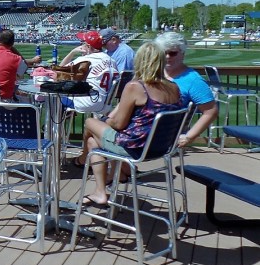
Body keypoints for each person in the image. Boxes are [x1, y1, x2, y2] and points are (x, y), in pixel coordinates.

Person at [73, 42, 182, 207]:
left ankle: (86, 166)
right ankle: (108, 184)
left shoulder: (136, 87)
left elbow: (118, 124)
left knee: (89, 122)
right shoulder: (174, 87)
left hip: (134, 147)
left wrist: (106, 122)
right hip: (162, 148)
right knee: (93, 142)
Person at [155, 31, 218, 148]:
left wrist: (189, 137)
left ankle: (126, 166)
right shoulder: (153, 73)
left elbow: (211, 111)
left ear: (182, 54)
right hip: (142, 129)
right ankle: (126, 167)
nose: (168, 56)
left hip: (164, 136)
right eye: (164, 52)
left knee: (112, 140)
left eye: (173, 53)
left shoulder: (193, 80)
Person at [58, 30, 117, 113]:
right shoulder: (112, 60)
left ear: (88, 47)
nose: (81, 45)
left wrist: (72, 52)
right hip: (106, 105)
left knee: (55, 96)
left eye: (83, 43)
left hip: (88, 103)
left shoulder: (85, 60)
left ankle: (54, 125)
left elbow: (59, 70)